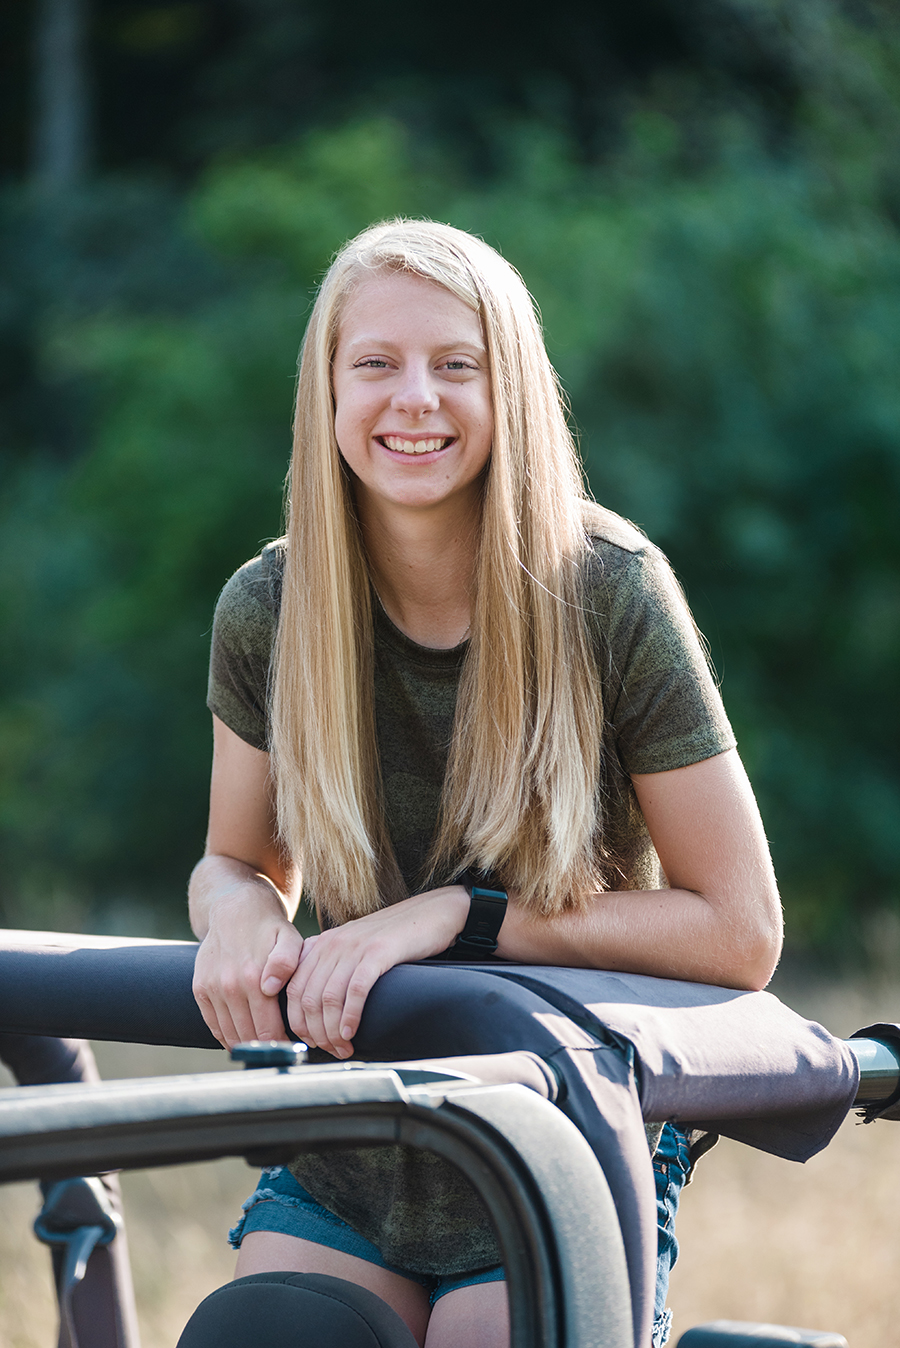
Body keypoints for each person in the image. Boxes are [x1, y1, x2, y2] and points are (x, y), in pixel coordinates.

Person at [189, 218, 783, 1348]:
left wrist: (463, 916)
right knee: (265, 1331)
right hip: (356, 1136)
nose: (415, 398)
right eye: (377, 362)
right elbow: (236, 861)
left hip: (559, 1131)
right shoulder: (268, 607)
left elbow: (742, 928)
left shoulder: (609, 591)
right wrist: (238, 915)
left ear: (508, 388)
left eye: (456, 364)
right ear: (326, 390)